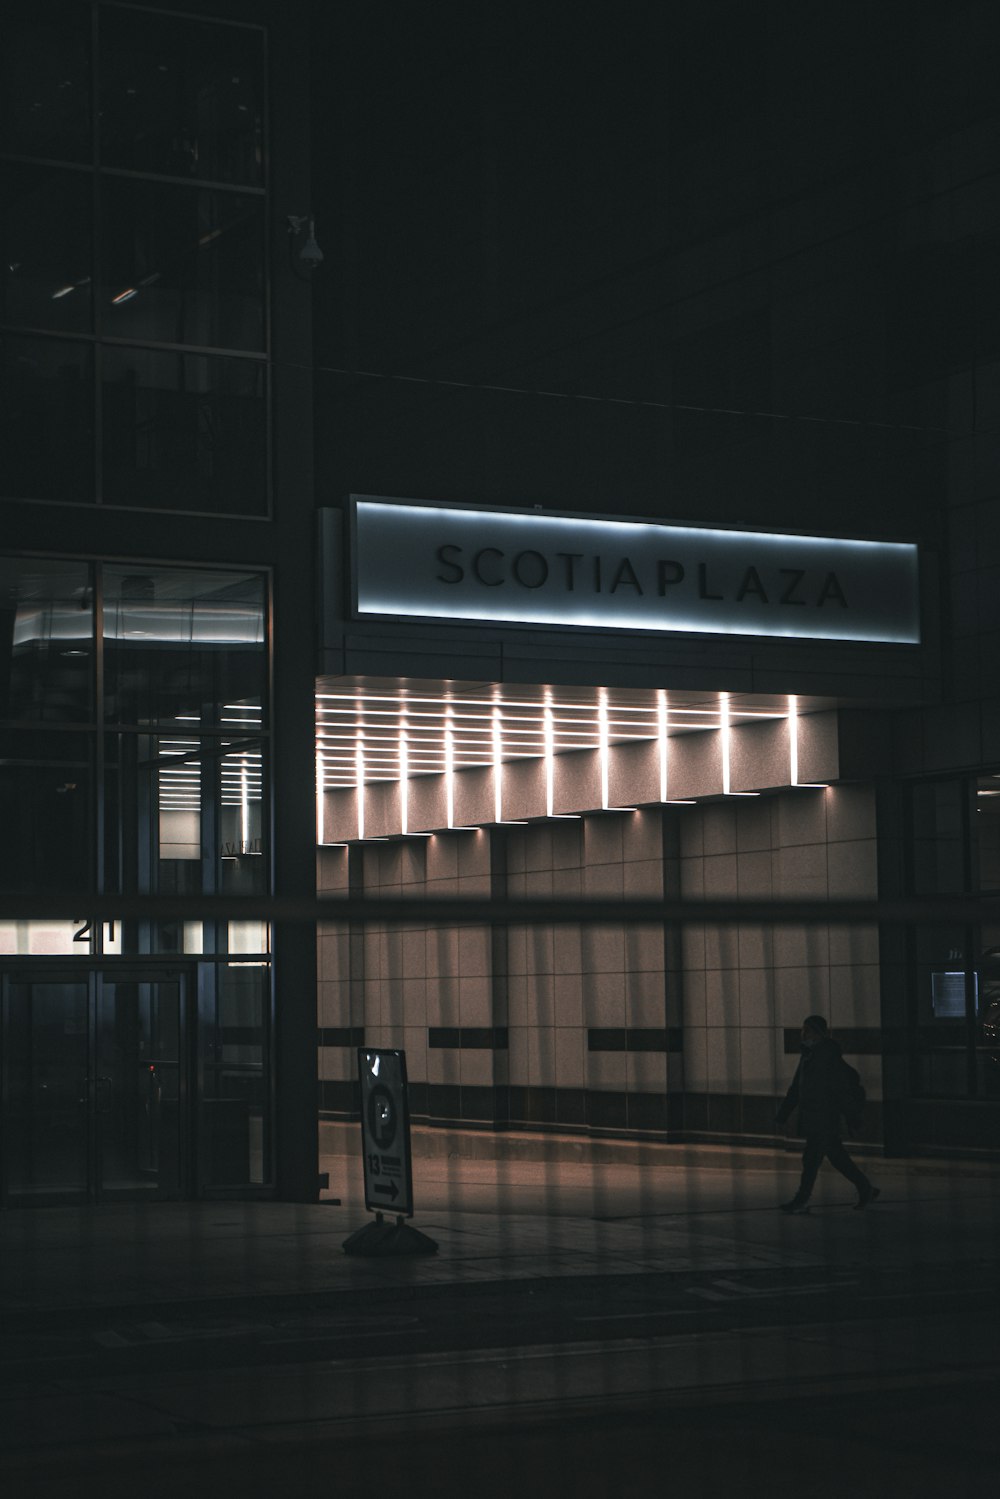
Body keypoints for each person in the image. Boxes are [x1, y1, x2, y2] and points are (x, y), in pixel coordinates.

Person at [775, 1014, 880, 1213]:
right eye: (802, 1029)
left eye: (807, 1030)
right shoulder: (808, 1054)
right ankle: (865, 1188)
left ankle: (801, 1199)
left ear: (818, 1033)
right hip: (815, 1117)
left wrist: (852, 1116)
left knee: (811, 1159)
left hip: (823, 1118)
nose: (802, 1033)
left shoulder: (827, 1056)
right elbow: (796, 1088)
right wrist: (783, 1114)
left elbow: (841, 1090)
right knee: (837, 1157)